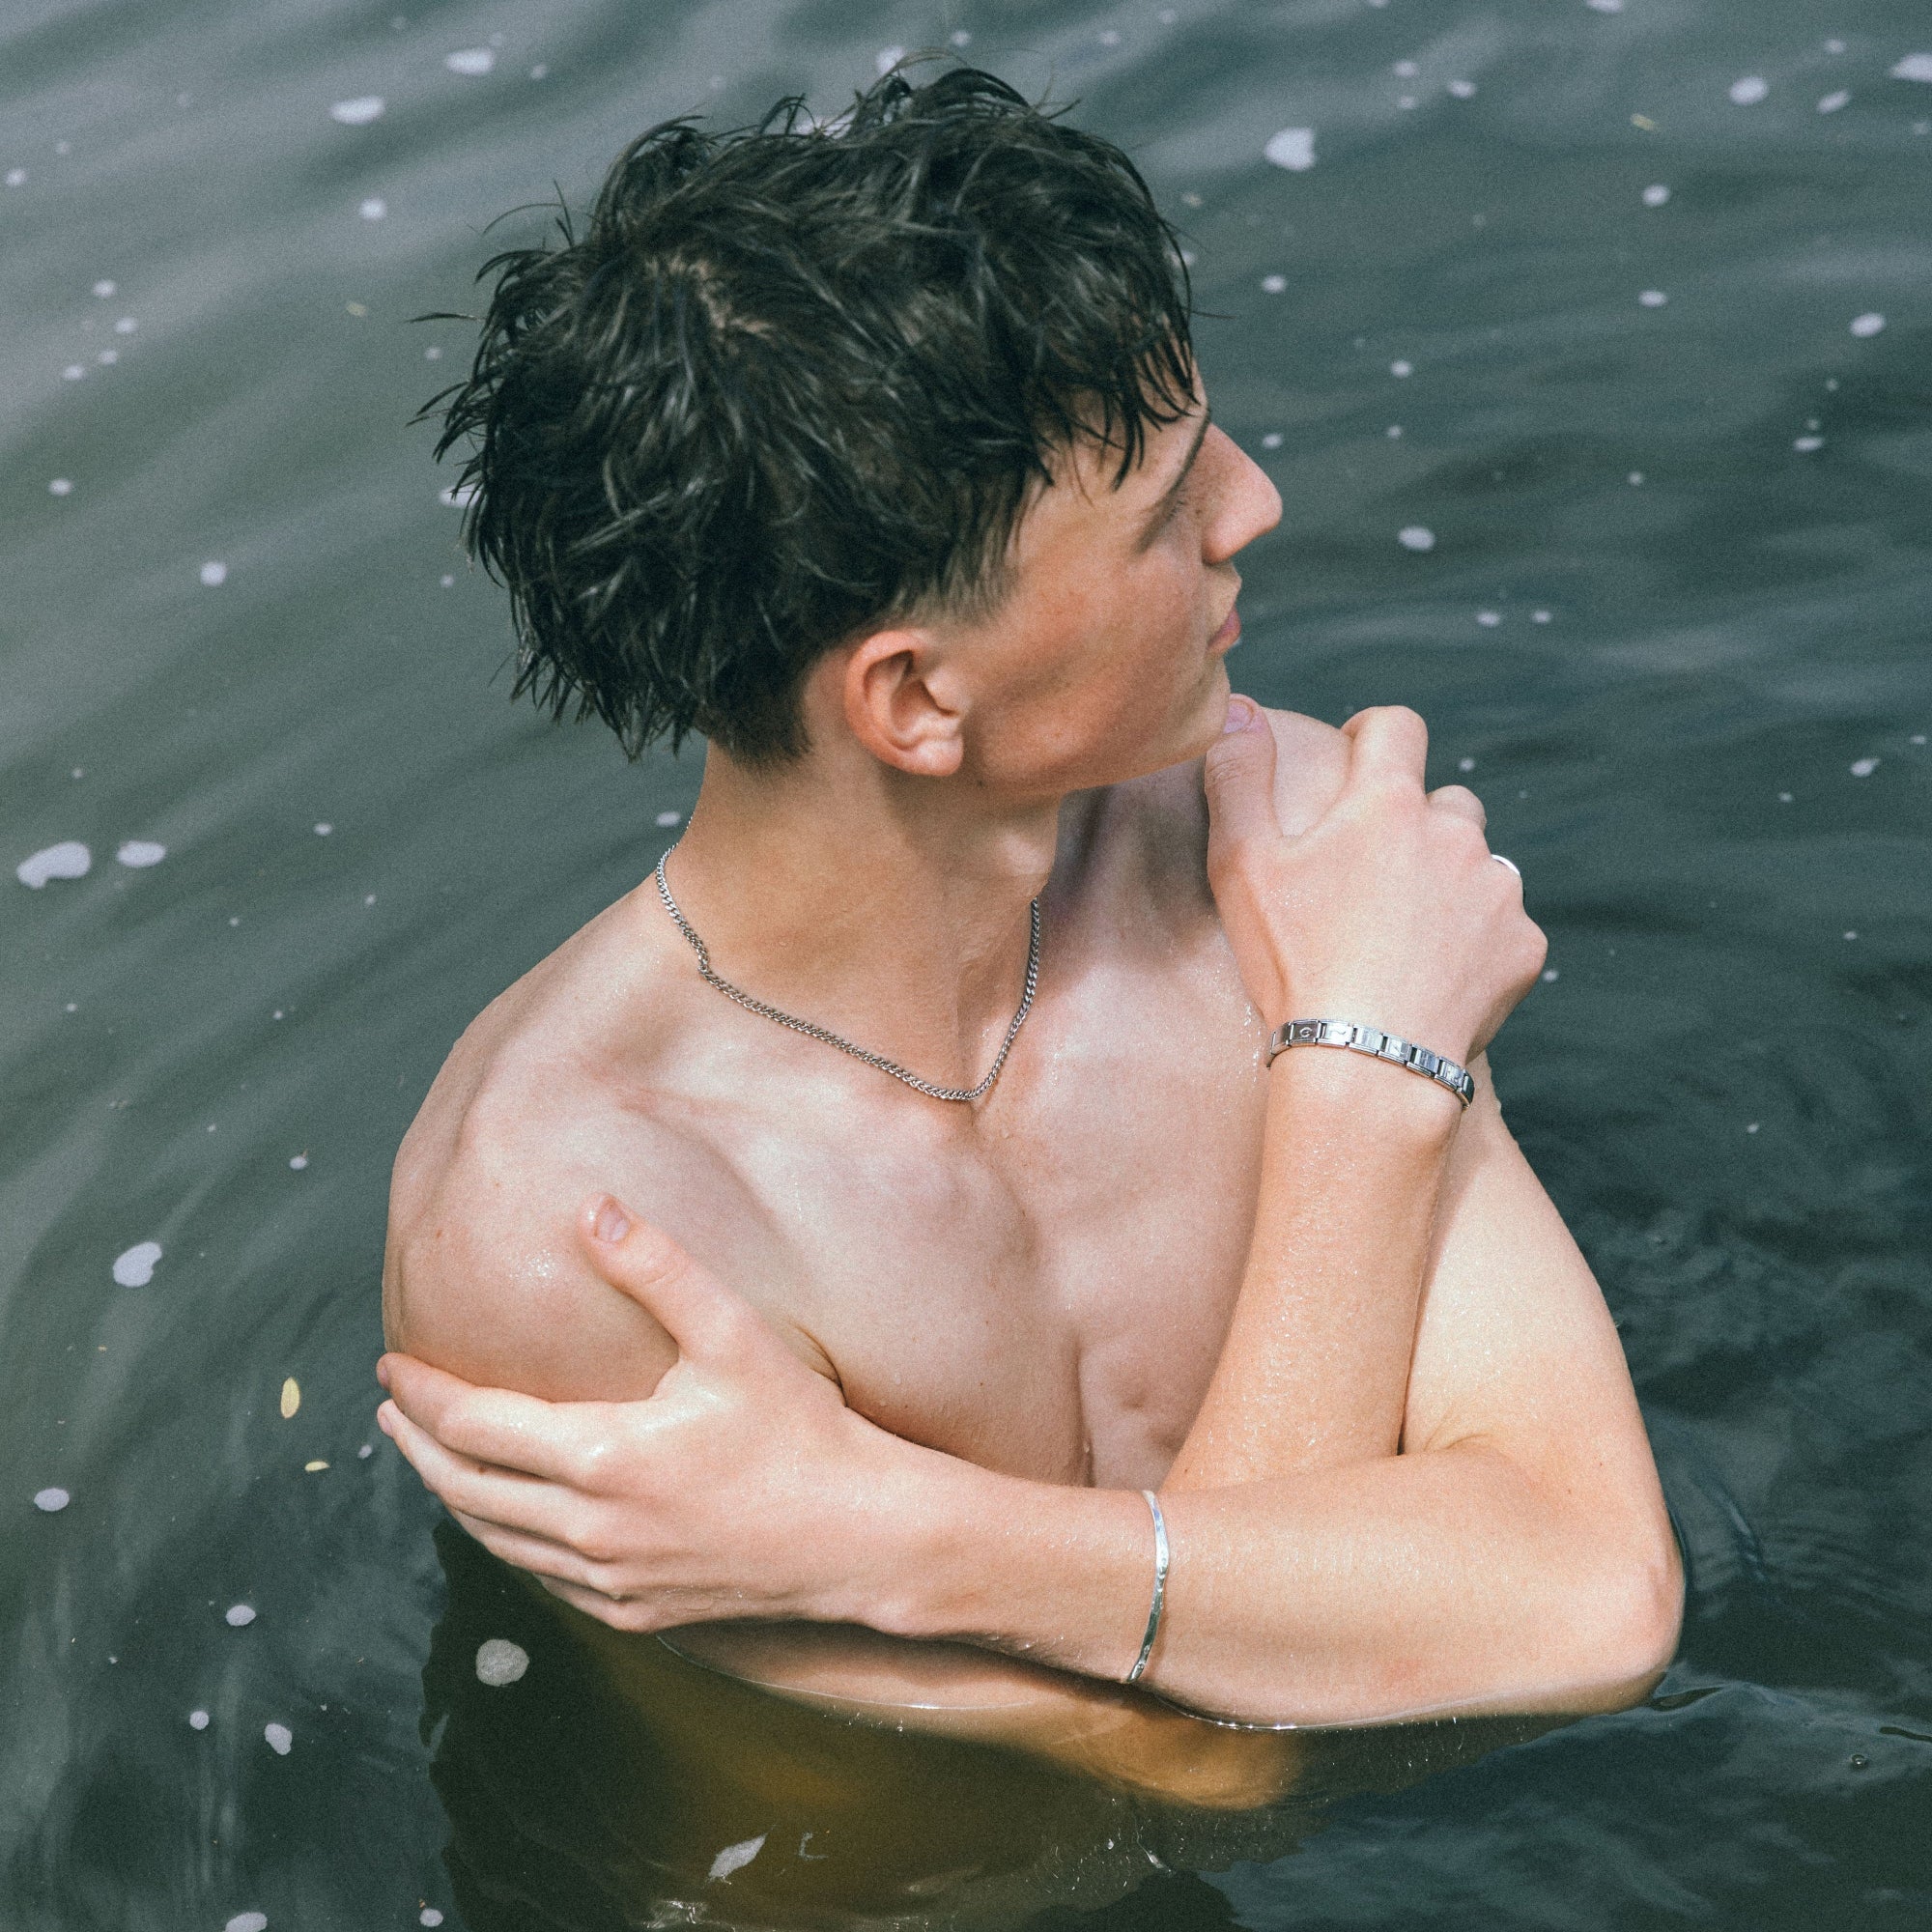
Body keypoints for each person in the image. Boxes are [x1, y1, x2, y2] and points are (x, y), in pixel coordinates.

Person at [377, 65, 1682, 1802]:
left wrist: (895, 1533)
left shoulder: (1273, 837)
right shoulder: (581, 1235)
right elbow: (1207, 1768)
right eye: (1163, 509)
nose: (1256, 505)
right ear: (915, 698)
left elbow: (1591, 1595)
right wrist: (1376, 1059)